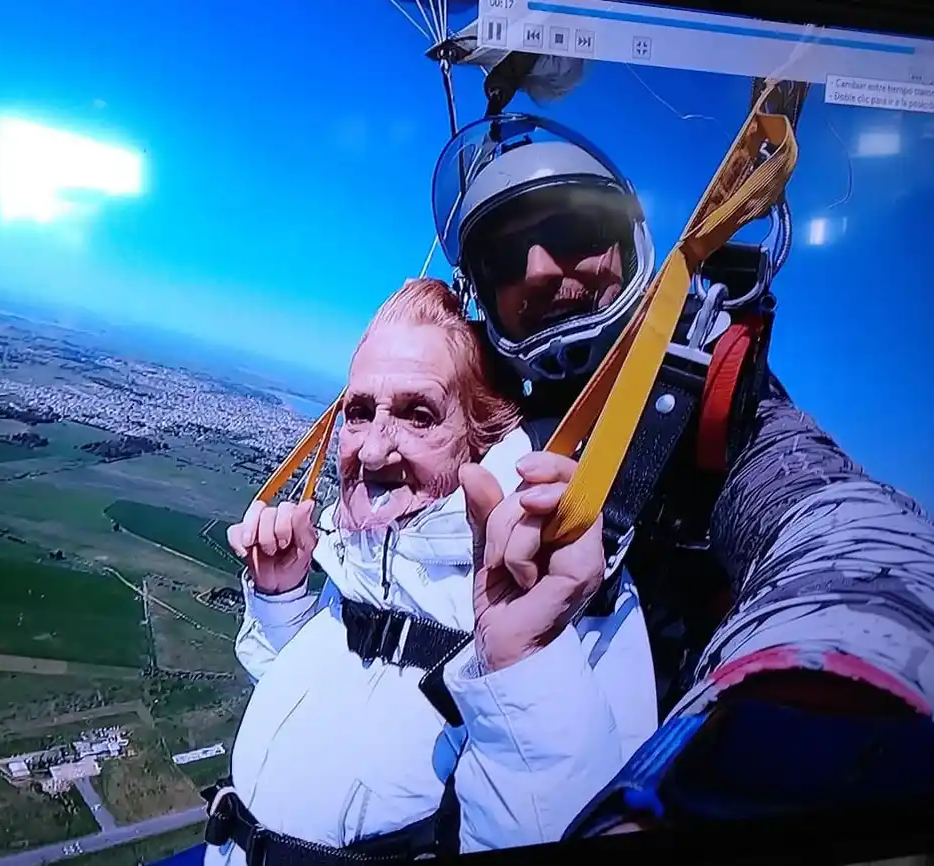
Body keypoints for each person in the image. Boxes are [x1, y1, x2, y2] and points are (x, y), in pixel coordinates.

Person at [430, 112, 934, 835]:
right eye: (503, 257)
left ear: (629, 243)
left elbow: (838, 527)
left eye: (571, 232)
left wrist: (805, 717)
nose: (537, 268)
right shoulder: (470, 417)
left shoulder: (706, 406)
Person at [200, 277, 657, 865]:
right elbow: (324, 707)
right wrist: (282, 598)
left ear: (479, 436)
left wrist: (524, 662)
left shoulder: (555, 591)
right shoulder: (356, 562)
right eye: (359, 413)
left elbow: (571, 819)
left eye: (419, 416)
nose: (370, 451)